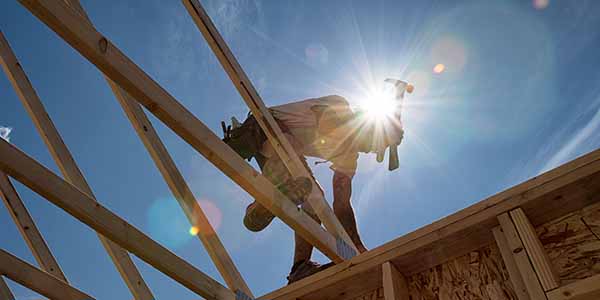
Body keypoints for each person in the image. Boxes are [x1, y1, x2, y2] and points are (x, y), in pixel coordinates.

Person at [222, 94, 403, 283]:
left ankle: (299, 266)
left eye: (373, 149)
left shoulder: (349, 156)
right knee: (296, 165)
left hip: (277, 150)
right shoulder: (339, 106)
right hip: (265, 128)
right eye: (372, 142)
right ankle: (262, 203)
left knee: (315, 199)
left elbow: (342, 203)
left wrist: (356, 245)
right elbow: (327, 125)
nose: (368, 149)